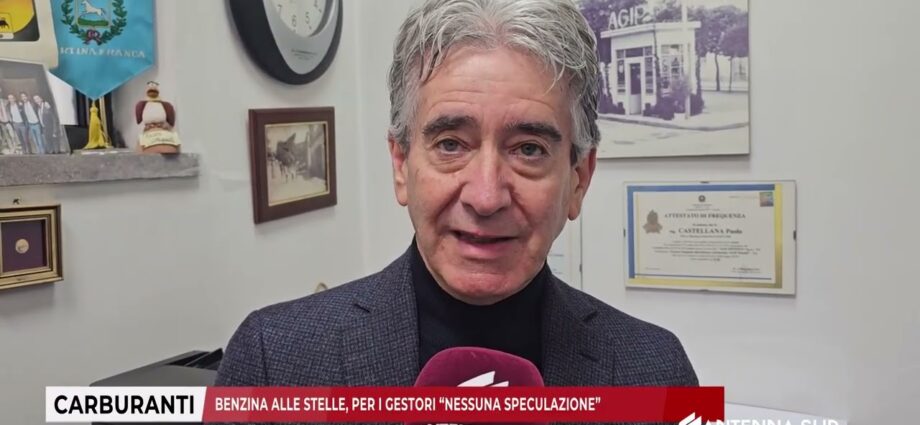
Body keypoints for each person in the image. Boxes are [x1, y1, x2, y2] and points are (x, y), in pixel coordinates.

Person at [217, 0, 697, 392]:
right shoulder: (271, 361)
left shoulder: (657, 372)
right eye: (450, 144)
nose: (486, 197)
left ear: (578, 180)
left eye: (528, 149)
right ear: (401, 165)